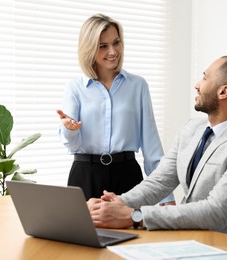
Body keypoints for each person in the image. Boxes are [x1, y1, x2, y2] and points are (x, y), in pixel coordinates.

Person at [87, 55, 227, 235]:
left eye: (205, 77)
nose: (197, 85)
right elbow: (160, 181)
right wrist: (113, 204)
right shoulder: (192, 128)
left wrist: (134, 216)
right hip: (188, 237)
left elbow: (215, 212)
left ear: (223, 91)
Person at [57, 13, 174, 204]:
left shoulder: (138, 85)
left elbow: (152, 148)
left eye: (116, 42)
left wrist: (166, 198)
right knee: (83, 233)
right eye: (103, 46)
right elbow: (72, 146)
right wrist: (69, 129)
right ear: (89, 48)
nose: (113, 51)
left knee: (135, 232)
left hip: (128, 175)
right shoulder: (75, 87)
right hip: (85, 175)